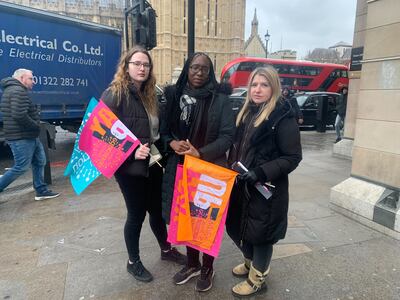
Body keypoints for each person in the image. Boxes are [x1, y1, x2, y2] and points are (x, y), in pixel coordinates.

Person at [101, 46, 186, 283]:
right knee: (136, 214)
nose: (142, 68)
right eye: (137, 63)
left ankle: (166, 249)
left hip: (154, 162)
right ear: (126, 67)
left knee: (157, 211)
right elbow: (101, 134)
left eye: (146, 65)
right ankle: (133, 262)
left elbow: (155, 130)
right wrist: (130, 152)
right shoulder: (114, 94)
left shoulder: (150, 94)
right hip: (129, 168)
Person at [160, 52, 235, 292]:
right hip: (180, 168)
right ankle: (192, 263)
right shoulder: (173, 95)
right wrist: (171, 143)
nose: (199, 72)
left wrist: (200, 153)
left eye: (204, 68)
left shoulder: (220, 100)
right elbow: (163, 132)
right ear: (187, 69)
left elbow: (228, 137)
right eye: (194, 68)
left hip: (210, 169)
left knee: (207, 220)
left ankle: (207, 267)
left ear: (210, 72)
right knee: (187, 219)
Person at [226, 66, 302, 297]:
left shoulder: (282, 117)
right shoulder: (248, 111)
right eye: (254, 85)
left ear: (274, 88)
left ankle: (258, 280)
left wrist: (261, 172)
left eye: (264, 85)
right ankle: (250, 264)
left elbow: (292, 157)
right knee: (241, 228)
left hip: (266, 188)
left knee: (261, 235)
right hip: (243, 184)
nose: (258, 90)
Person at [0, 69, 60, 200]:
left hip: (28, 135)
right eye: (31, 79)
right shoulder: (17, 91)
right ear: (22, 78)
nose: (33, 82)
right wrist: (35, 125)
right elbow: (19, 115)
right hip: (21, 136)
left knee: (40, 161)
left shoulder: (14, 90)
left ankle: (41, 190)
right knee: (21, 167)